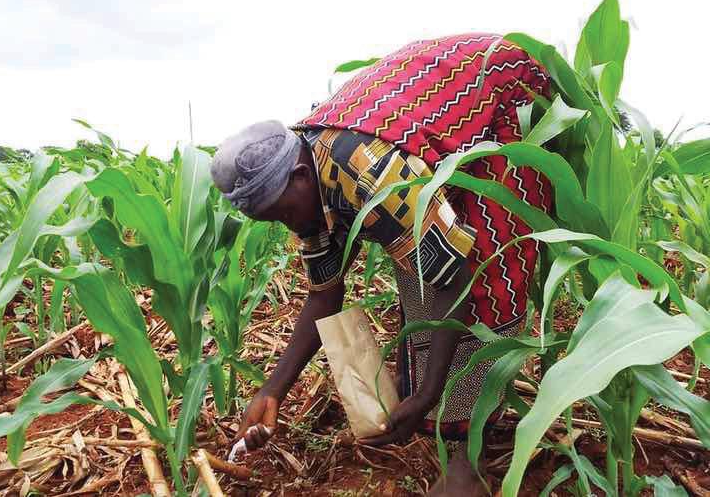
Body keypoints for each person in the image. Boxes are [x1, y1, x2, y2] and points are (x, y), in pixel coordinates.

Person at [210, 33, 551, 494]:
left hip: (502, 99)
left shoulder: (368, 171)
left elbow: (454, 279)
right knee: (419, 264)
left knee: (489, 266)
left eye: (284, 213)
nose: (290, 224)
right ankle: (433, 400)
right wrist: (272, 390)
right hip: (427, 137)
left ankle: (467, 458)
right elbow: (325, 294)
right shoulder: (306, 190)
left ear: (300, 176)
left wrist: (428, 393)